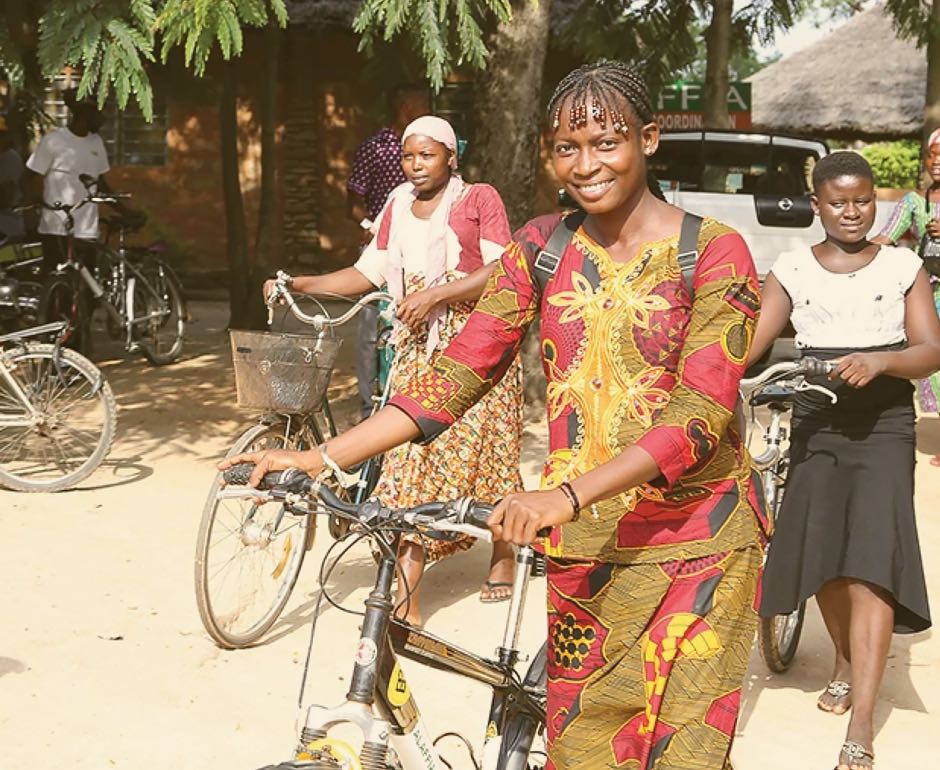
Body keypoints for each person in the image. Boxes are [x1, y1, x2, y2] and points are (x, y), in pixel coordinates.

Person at [235, 60, 768, 769]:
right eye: (566, 147)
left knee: (682, 756)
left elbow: (698, 414)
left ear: (648, 138)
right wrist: (323, 457)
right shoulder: (542, 246)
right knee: (584, 751)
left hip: (698, 546)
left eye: (606, 143)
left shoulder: (715, 252)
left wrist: (565, 493)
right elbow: (456, 374)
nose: (586, 164)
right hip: (581, 544)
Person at [263, 114, 524, 622]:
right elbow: (368, 272)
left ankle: (504, 551)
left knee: (490, 452)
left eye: (427, 155)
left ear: (451, 157)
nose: (416, 165)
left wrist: (437, 294)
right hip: (417, 349)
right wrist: (301, 282)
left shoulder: (479, 199)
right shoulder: (397, 206)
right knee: (409, 461)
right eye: (408, 156)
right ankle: (408, 587)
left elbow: (502, 268)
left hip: (477, 344)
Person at [750, 151, 938, 770]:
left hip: (884, 420)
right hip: (817, 417)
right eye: (838, 202)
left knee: (871, 561)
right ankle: (843, 659)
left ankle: (862, 717)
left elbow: (930, 350)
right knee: (826, 559)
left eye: (862, 201)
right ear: (817, 206)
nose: (852, 212)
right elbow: (752, 345)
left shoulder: (904, 265)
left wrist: (883, 360)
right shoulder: (793, 268)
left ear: (874, 204)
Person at [347, 86, 428, 419]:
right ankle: (369, 406)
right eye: (423, 107)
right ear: (406, 108)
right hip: (381, 249)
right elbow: (352, 200)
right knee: (371, 329)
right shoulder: (377, 148)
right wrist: (371, 226)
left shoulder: (429, 149)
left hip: (419, 252)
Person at [873, 128, 940, 465]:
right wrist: (850, 249)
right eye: (933, 155)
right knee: (931, 361)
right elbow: (887, 235)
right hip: (928, 293)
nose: (938, 162)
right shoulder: (915, 202)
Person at [25, 92, 133, 276]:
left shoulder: (96, 142)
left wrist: (125, 211)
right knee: (55, 285)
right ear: (84, 114)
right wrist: (34, 203)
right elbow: (30, 176)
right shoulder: (53, 141)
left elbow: (100, 184)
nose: (103, 118)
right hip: (55, 227)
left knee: (85, 290)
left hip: (86, 229)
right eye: (99, 113)